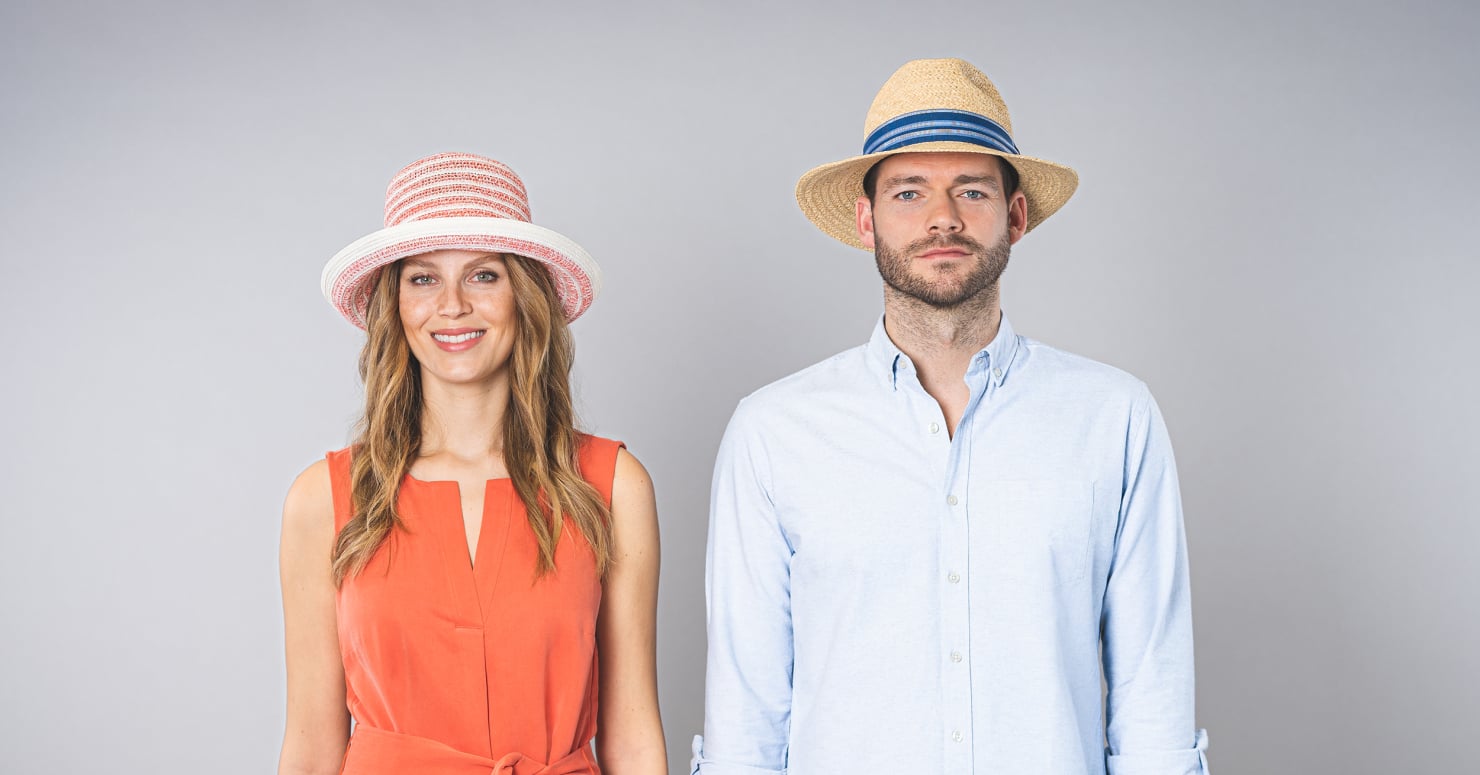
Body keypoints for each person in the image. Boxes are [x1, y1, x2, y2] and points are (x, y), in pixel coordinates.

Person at [692, 59, 1210, 774]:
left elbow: (1153, 701)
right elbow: (745, 722)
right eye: (909, 192)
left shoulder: (1114, 419)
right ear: (867, 219)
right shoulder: (773, 433)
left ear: (1015, 216)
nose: (943, 217)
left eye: (971, 189)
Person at [278, 152, 667, 775]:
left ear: (524, 297)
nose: (452, 305)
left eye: (484, 275)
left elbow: (633, 732)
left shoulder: (610, 485)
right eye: (423, 279)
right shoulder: (323, 498)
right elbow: (311, 746)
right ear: (395, 305)